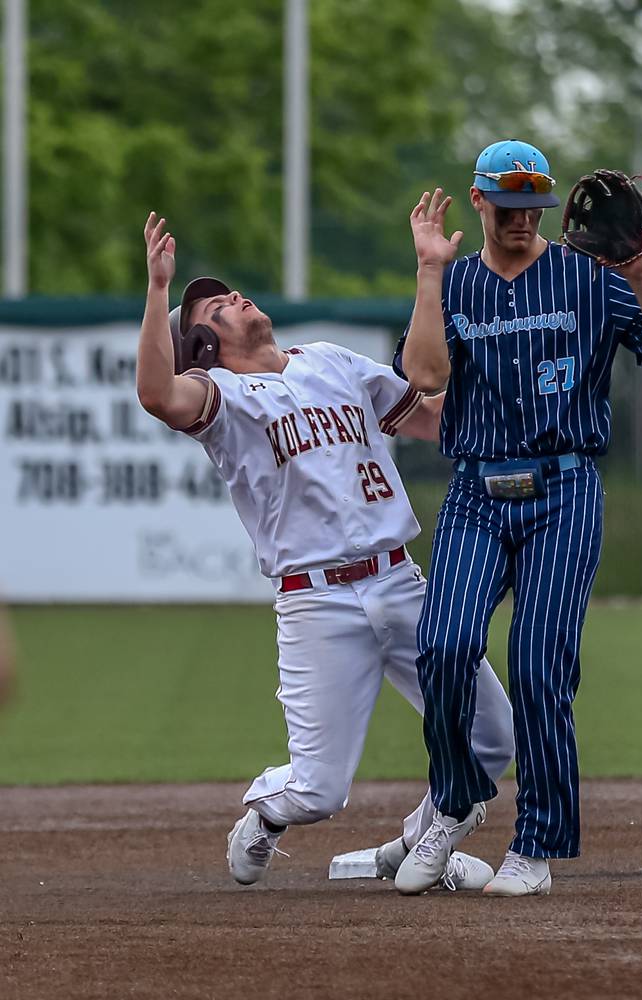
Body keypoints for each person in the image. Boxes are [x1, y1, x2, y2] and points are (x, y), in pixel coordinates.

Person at [137, 212, 515, 890]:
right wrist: (157, 289)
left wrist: (453, 308)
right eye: (217, 308)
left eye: (228, 293)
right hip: (316, 601)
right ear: (204, 345)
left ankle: (416, 843)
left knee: (492, 737)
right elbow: (157, 394)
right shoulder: (222, 397)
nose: (235, 299)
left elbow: (433, 418)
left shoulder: (333, 361)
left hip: (398, 580)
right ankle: (263, 815)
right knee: (317, 792)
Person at [392, 139, 642, 897]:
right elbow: (424, 375)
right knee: (444, 646)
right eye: (510, 202)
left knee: (537, 665)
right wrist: (429, 271)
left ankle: (536, 847)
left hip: (564, 490)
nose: (524, 218)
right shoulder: (456, 283)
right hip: (476, 491)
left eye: (535, 205)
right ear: (480, 201)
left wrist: (641, 277)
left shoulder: (589, 278)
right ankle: (456, 802)